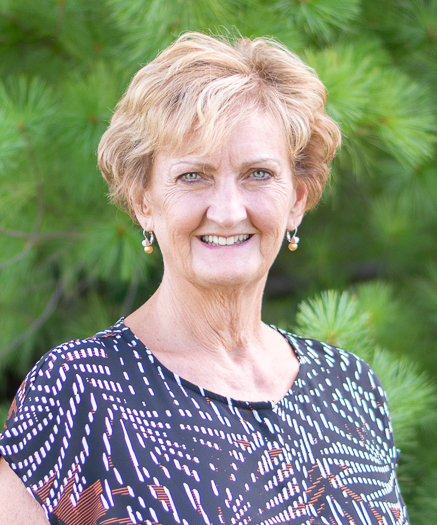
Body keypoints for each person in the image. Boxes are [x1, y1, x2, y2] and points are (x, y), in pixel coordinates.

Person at [0, 32, 409, 525]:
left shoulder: (351, 389)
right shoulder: (77, 390)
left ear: (298, 198)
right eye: (193, 176)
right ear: (144, 201)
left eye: (258, 173)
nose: (228, 210)